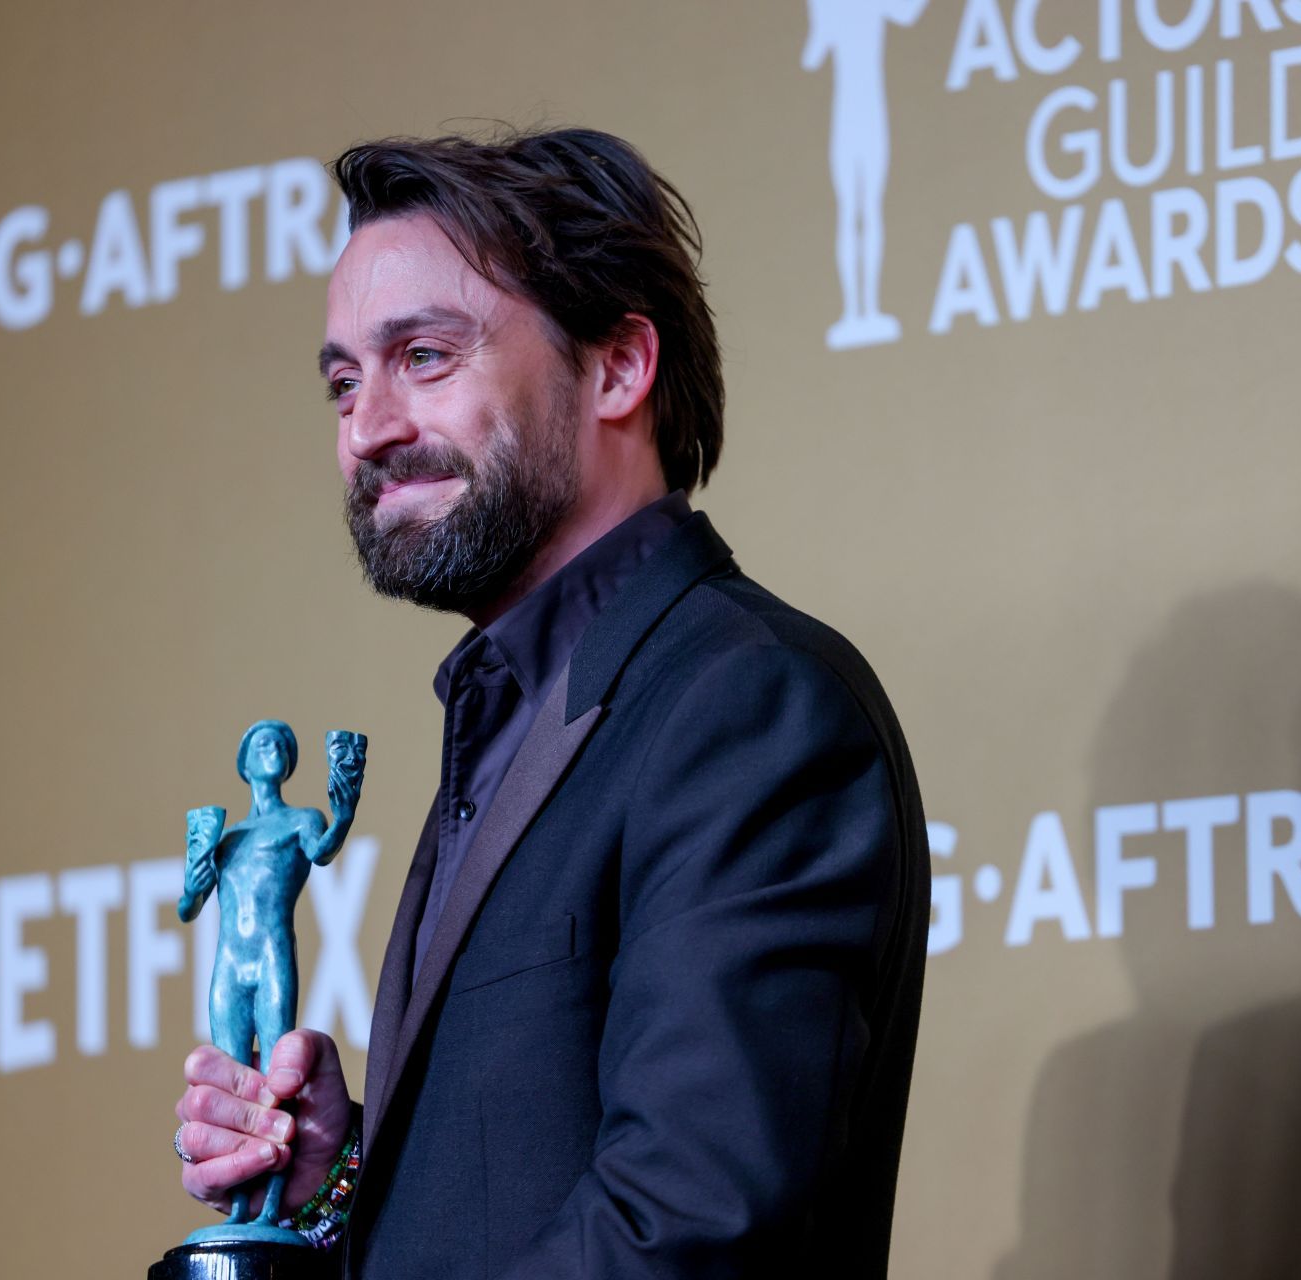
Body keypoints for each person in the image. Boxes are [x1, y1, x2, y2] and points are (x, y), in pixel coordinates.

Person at [169, 126, 931, 1277]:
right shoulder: (512, 717)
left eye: (423, 355)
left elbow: (692, 1233)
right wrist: (340, 1181)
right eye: (342, 379)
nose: (367, 426)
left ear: (620, 366)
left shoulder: (748, 706)